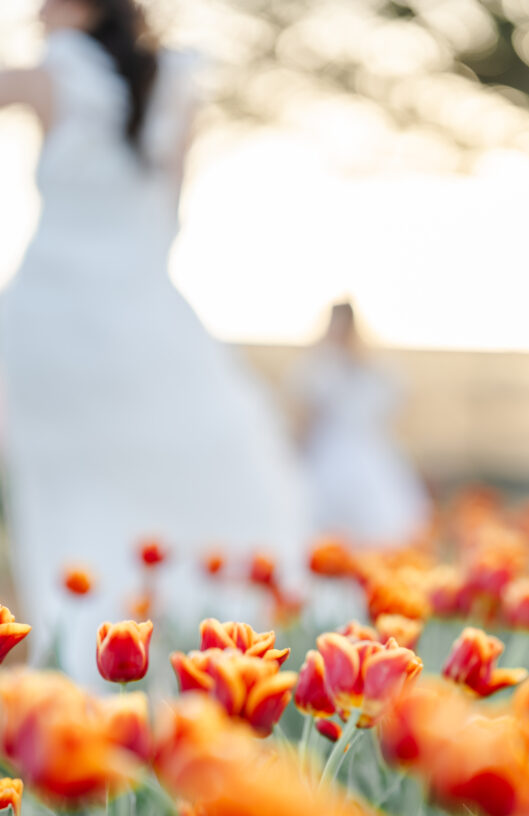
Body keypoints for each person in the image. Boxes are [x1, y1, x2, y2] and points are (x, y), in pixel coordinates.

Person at [0, 0, 308, 679]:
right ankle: (196, 649)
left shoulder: (54, 71)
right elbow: (170, 211)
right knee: (170, 466)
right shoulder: (175, 81)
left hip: (51, 311)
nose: (35, 13)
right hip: (143, 308)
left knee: (68, 487)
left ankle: (79, 660)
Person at [291, 302, 430, 547]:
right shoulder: (324, 368)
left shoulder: (368, 368)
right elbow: (307, 417)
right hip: (333, 453)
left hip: (363, 451)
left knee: (376, 521)